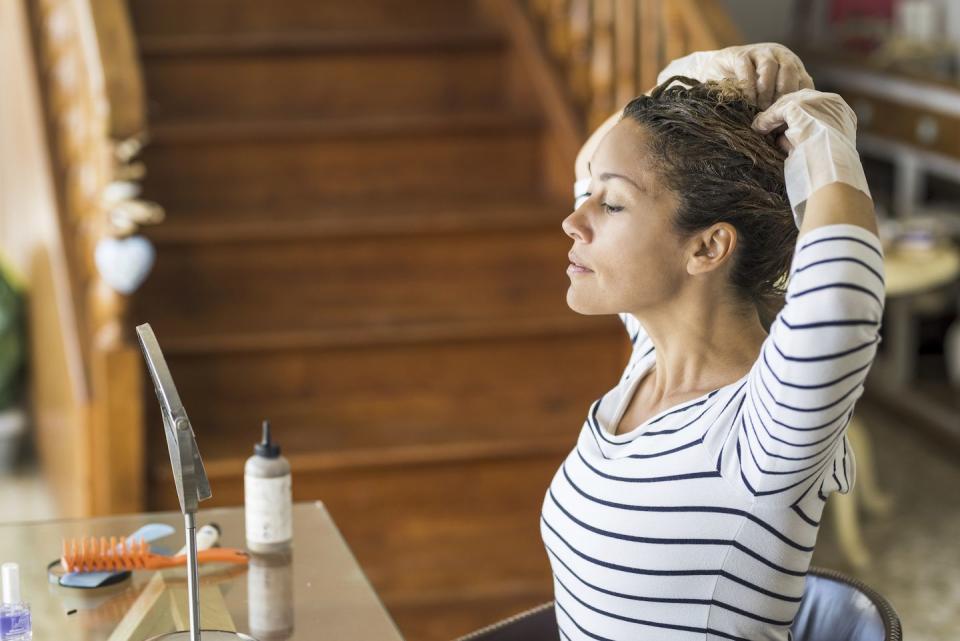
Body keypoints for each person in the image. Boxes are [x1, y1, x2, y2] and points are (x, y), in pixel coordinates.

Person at [543, 43, 883, 640]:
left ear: (706, 248)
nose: (576, 219)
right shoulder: (651, 359)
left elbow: (841, 298)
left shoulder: (758, 432)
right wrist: (690, 74)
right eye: (596, 196)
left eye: (612, 203)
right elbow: (590, 164)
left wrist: (826, 140)